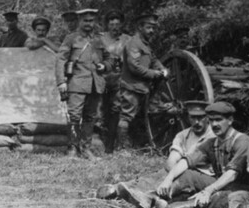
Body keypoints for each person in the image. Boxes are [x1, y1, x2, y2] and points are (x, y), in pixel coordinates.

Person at [97, 101, 249, 208]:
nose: (215, 124)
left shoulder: (242, 141)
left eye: (219, 120)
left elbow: (232, 174)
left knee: (214, 199)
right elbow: (186, 161)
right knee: (187, 174)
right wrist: (168, 180)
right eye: (212, 120)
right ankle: (150, 198)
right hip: (219, 184)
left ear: (230, 120)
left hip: (240, 190)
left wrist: (208, 190)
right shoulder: (212, 142)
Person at [55, 8, 112, 160]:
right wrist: (61, 81)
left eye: (91, 20)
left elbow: (109, 58)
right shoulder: (71, 38)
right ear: (80, 21)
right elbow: (61, 59)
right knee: (74, 116)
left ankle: (86, 149)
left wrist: (104, 66)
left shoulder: (99, 40)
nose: (88, 23)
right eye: (85, 20)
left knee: (90, 117)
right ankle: (72, 150)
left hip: (95, 84)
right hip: (77, 84)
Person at [115, 11, 168, 150]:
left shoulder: (146, 45)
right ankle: (121, 149)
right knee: (126, 117)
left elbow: (154, 59)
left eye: (154, 28)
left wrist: (162, 69)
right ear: (140, 27)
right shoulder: (133, 43)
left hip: (143, 88)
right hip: (131, 87)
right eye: (149, 27)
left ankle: (136, 146)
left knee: (139, 118)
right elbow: (134, 67)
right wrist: (154, 73)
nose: (152, 31)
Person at [99, 10, 131, 152]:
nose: (115, 27)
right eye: (112, 24)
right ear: (107, 25)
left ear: (122, 24)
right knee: (99, 112)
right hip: (101, 78)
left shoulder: (128, 40)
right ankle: (97, 145)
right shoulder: (100, 38)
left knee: (115, 110)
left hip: (119, 78)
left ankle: (112, 146)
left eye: (117, 24)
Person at [165, 100, 214, 171]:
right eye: (193, 117)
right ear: (188, 117)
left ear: (207, 118)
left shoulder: (215, 135)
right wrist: (173, 172)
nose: (196, 122)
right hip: (186, 173)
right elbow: (172, 160)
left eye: (200, 117)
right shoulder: (182, 136)